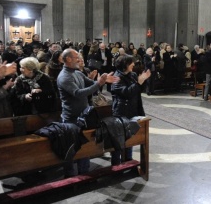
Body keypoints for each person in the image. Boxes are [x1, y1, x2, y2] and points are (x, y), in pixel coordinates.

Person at [57, 48, 119, 177]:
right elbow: (79, 94)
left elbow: (91, 84)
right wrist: (99, 83)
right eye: (76, 57)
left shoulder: (77, 73)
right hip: (71, 118)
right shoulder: (64, 77)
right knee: (71, 149)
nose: (79, 60)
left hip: (84, 116)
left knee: (85, 148)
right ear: (68, 59)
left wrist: (101, 82)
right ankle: (70, 178)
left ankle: (85, 175)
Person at [111, 54, 151, 165]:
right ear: (124, 64)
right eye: (131, 62)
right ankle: (116, 164)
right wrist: (139, 82)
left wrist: (143, 80)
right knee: (119, 140)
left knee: (130, 138)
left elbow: (138, 90)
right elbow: (127, 93)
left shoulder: (132, 74)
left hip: (133, 110)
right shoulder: (116, 78)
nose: (133, 64)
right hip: (121, 112)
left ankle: (128, 160)